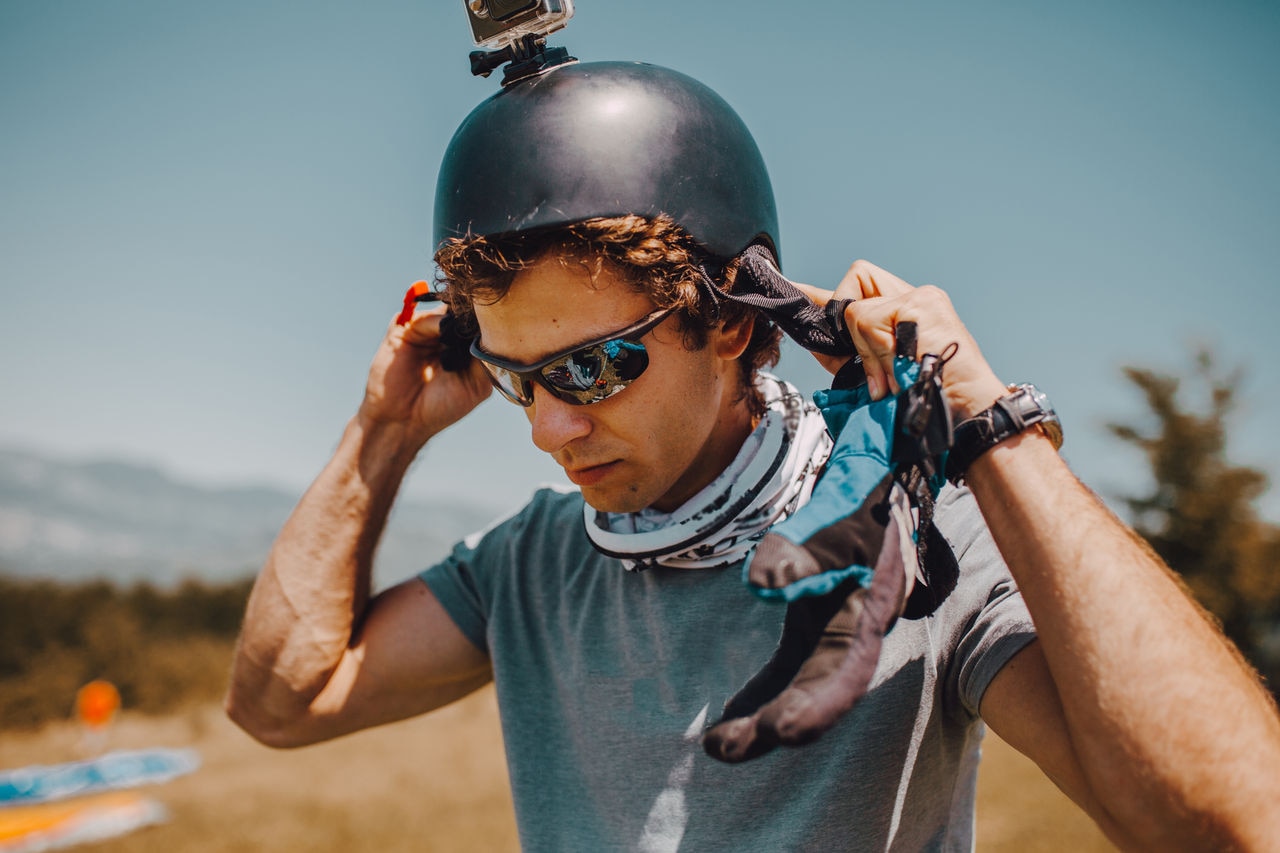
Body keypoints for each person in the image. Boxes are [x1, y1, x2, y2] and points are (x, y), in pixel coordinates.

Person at [227, 59, 1280, 851]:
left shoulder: (913, 529)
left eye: (591, 369)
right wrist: (385, 426)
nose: (547, 431)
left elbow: (1233, 824)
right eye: (516, 377)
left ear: (731, 324)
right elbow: (281, 701)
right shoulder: (531, 563)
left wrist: (980, 421)